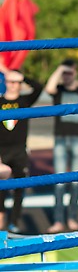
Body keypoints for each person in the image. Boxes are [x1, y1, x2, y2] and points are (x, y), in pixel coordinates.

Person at [45, 59, 78, 233]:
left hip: (77, 140)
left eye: (70, 72)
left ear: (75, 72)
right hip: (60, 139)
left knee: (75, 181)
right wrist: (60, 68)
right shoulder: (58, 91)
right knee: (59, 181)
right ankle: (58, 220)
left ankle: (72, 217)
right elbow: (49, 88)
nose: (67, 76)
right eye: (64, 73)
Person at [0, 70, 42, 233]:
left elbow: (38, 88)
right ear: (5, 83)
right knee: (1, 187)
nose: (13, 85)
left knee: (20, 186)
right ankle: (2, 214)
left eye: (16, 82)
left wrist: (23, 77)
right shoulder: (0, 101)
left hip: (19, 150)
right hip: (2, 151)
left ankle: (14, 221)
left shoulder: (25, 100)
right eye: (10, 82)